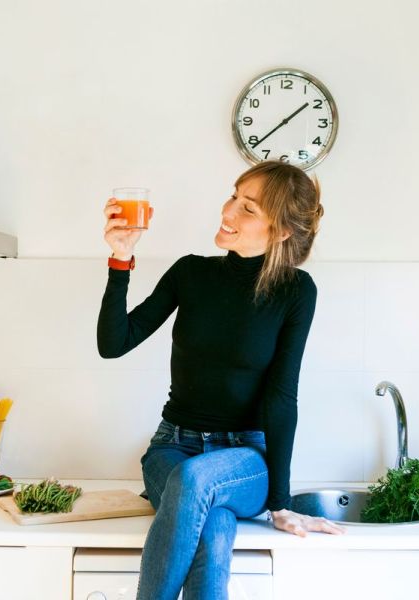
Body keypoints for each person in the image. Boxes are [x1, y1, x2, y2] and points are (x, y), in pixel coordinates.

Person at [97, 160, 345, 600]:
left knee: (197, 481)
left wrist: (280, 502)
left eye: (248, 209)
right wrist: (120, 257)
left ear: (282, 231)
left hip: (245, 458)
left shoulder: (295, 291)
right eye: (234, 196)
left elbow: (281, 397)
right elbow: (114, 343)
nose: (228, 212)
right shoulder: (191, 273)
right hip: (171, 449)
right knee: (212, 528)